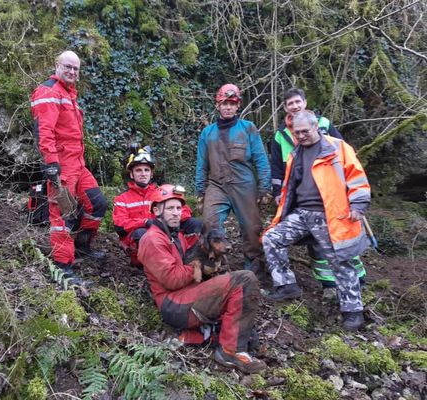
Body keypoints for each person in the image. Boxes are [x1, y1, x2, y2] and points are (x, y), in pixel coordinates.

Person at [138, 184, 265, 374]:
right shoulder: (153, 239)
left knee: (249, 335)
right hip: (174, 303)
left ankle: (197, 336)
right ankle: (230, 351)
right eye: (170, 208)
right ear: (157, 211)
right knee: (245, 280)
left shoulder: (173, 235)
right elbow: (171, 279)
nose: (176, 213)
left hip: (185, 295)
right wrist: (198, 268)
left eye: (179, 208)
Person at [262, 111, 371, 331]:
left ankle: (353, 312)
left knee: (341, 261)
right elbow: (290, 185)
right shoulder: (295, 153)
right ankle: (286, 285)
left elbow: (357, 177)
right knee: (272, 238)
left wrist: (358, 205)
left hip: (331, 215)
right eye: (296, 132)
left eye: (304, 131)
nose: (301, 135)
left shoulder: (337, 148)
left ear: (316, 127)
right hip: (302, 214)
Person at [30, 50, 108, 282]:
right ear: (57, 66)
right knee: (63, 216)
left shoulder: (67, 93)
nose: (72, 71)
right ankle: (63, 266)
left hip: (78, 164)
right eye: (68, 67)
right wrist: (51, 165)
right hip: (62, 165)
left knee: (97, 204)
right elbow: (44, 132)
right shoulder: (49, 91)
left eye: (76, 68)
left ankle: (82, 245)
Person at [195, 84, 271, 274]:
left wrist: (265, 188)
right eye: (224, 103)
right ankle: (214, 265)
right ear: (217, 105)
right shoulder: (207, 133)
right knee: (208, 223)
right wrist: (200, 192)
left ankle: (254, 269)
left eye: (232, 103)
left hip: (244, 184)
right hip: (216, 185)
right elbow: (201, 164)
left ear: (238, 106)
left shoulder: (248, 128)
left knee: (252, 227)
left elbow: (261, 159)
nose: (228, 107)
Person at [112, 145, 201, 267]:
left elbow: (184, 211)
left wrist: (168, 220)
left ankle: (189, 261)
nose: (143, 174)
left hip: (166, 235)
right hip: (142, 243)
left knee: (194, 224)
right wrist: (146, 222)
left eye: (146, 170)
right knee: (142, 234)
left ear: (152, 174)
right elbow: (120, 225)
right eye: (138, 170)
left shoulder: (162, 192)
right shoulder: (122, 199)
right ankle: (156, 267)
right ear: (131, 175)